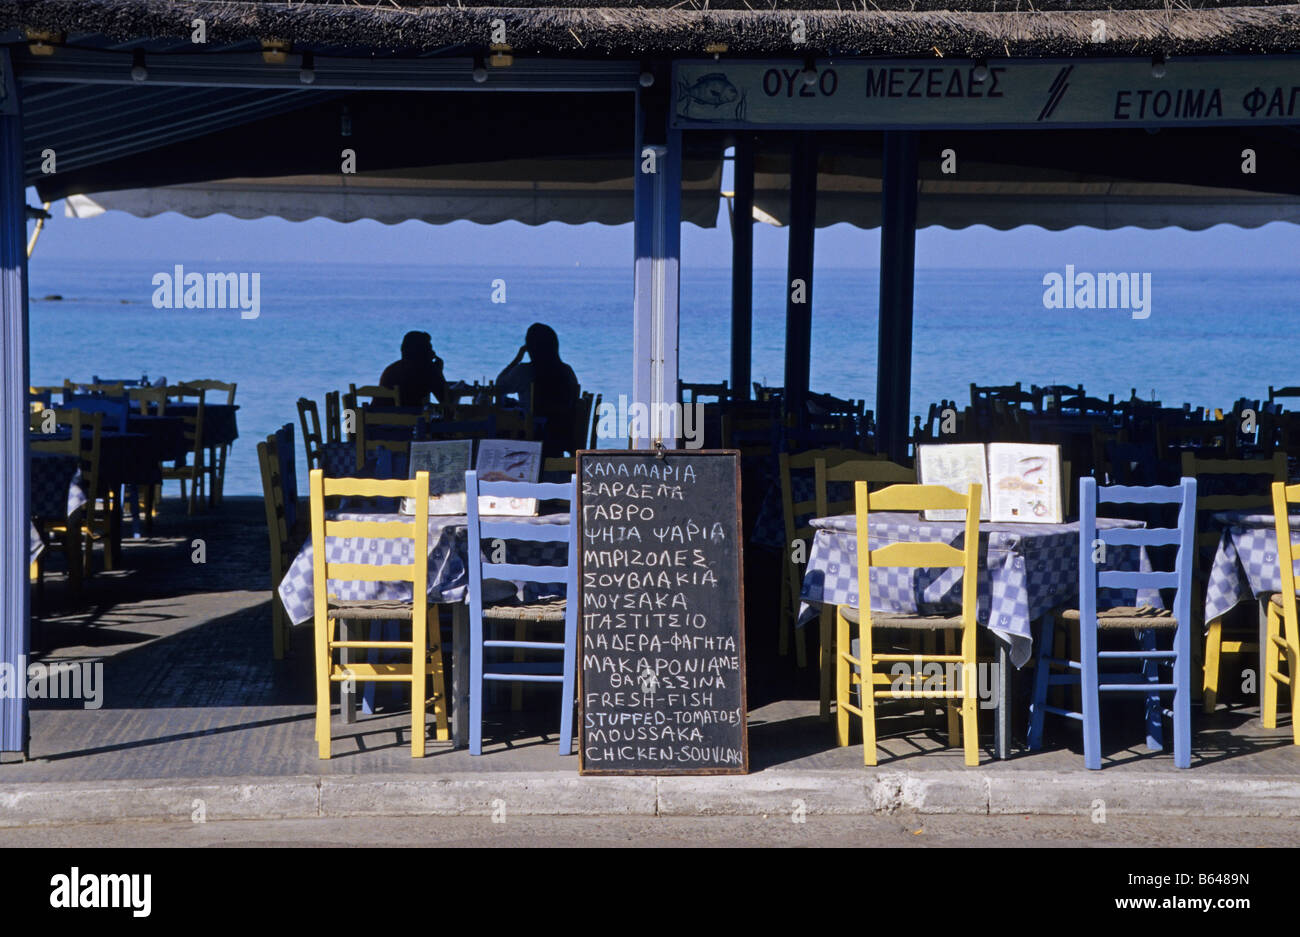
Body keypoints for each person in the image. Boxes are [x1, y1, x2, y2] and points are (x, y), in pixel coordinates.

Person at [496, 323, 580, 457]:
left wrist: (516, 359)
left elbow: (499, 387)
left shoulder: (525, 371)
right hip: (560, 436)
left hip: (532, 437)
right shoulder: (567, 371)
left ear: (530, 348)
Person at [379, 331, 449, 406]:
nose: (433, 352)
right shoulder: (427, 370)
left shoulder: (391, 370)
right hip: (410, 416)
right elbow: (446, 400)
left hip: (379, 416)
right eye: (430, 348)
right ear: (424, 351)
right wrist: (438, 372)